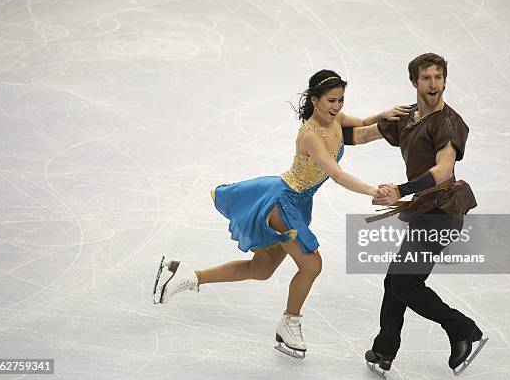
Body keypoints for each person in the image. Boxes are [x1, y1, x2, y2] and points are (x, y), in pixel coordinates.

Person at [151, 69, 410, 359]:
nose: (336, 107)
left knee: (261, 270)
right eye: (330, 101)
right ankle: (290, 322)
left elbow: (361, 126)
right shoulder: (310, 134)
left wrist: (386, 115)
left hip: (299, 204)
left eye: (340, 100)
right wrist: (375, 191)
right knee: (312, 264)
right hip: (282, 202)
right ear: (315, 100)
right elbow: (336, 175)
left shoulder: (336, 119)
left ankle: (183, 275)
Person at [347, 53, 486, 376]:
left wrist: (400, 190)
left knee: (405, 284)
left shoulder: (447, 122)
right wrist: (323, 127)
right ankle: (384, 350)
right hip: (424, 211)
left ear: (444, 81)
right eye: (427, 78)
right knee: (397, 281)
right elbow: (361, 135)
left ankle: (462, 327)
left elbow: (443, 170)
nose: (434, 83)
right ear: (414, 82)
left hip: (442, 211)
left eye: (438, 77)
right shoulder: (408, 117)